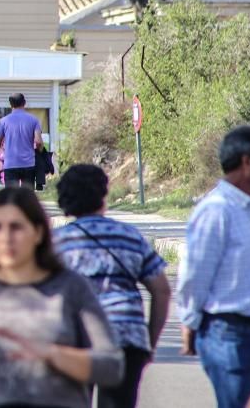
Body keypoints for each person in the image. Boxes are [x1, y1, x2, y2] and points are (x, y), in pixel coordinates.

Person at [0, 188, 124, 408]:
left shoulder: (70, 288)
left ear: (39, 232)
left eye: (16, 227)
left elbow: (111, 366)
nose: (6, 238)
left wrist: (52, 354)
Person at [54, 164, 171, 408]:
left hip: (76, 339)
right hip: (126, 338)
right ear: (103, 195)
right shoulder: (129, 235)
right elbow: (161, 290)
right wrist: (148, 341)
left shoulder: (57, 243)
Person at [177, 125, 250, 408]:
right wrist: (189, 321)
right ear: (247, 161)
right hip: (229, 335)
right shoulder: (216, 210)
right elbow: (195, 273)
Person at [0, 92, 42, 189]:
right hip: (28, 164)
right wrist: (39, 153)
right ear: (24, 103)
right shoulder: (33, 120)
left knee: (11, 196)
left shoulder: (4, 121)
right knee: (27, 197)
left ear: (10, 105)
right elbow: (38, 142)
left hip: (11, 164)